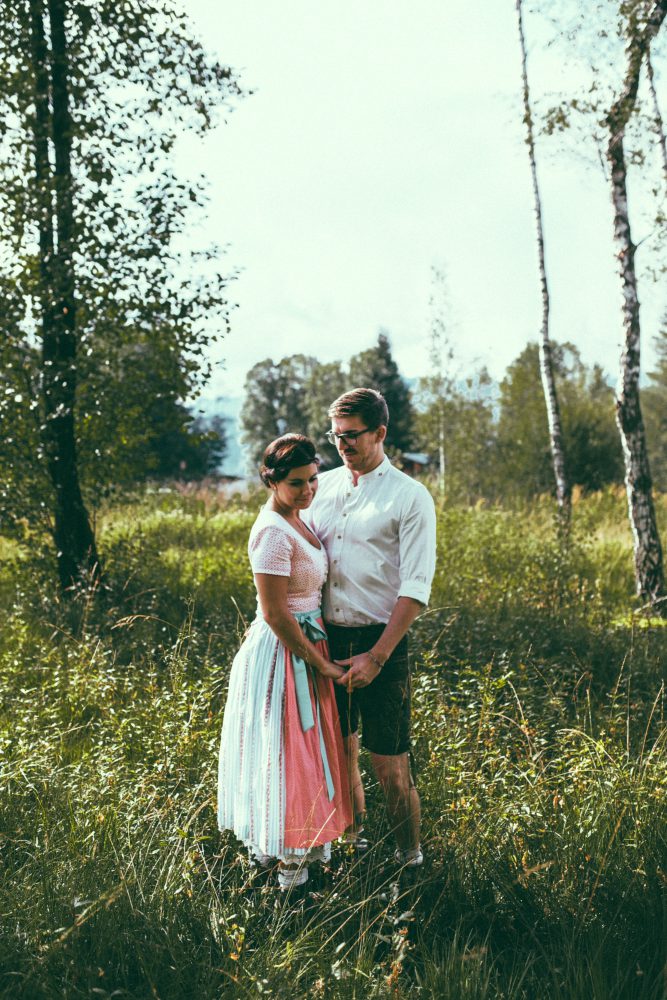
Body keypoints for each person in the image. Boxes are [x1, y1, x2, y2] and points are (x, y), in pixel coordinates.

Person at [304, 388, 436, 868]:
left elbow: (416, 589)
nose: (342, 445)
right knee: (340, 758)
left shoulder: (409, 496)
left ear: (380, 433)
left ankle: (409, 860)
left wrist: (377, 656)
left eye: (352, 435)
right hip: (328, 642)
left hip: (382, 642)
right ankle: (353, 846)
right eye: (335, 436)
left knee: (391, 766)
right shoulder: (324, 488)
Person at [217, 434, 352, 891]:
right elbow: (275, 613)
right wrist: (322, 664)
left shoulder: (297, 518)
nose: (309, 490)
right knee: (288, 754)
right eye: (297, 483)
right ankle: (289, 881)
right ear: (271, 480)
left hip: (307, 642)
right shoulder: (272, 531)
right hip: (283, 653)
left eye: (313, 479)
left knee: (306, 751)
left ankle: (302, 855)